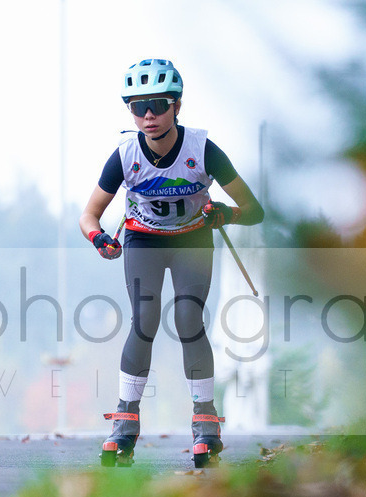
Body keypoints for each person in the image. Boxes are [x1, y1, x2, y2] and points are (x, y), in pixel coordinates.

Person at [79, 58, 264, 468]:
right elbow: (88, 215)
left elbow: (254, 210)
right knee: (143, 320)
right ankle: (124, 425)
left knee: (187, 320)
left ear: (177, 106)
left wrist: (224, 213)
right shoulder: (125, 155)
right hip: (143, 241)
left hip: (191, 240)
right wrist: (100, 239)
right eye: (138, 105)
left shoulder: (204, 150)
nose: (148, 116)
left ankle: (205, 423)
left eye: (159, 104)